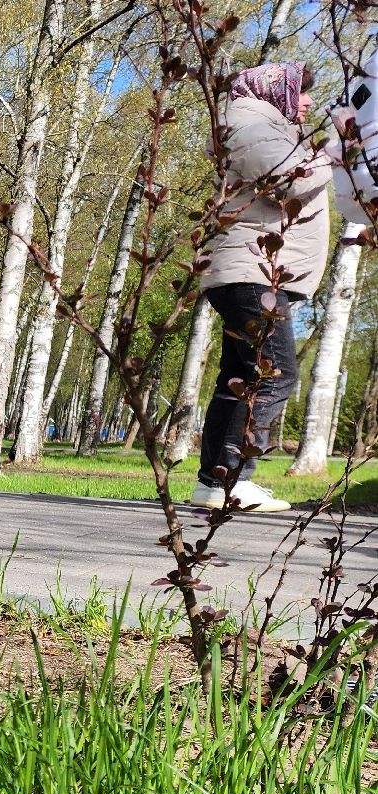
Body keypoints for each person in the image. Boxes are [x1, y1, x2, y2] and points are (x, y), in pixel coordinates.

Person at [193, 62, 329, 513]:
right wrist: (335, 155)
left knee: (240, 379)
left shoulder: (263, 125)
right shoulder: (251, 123)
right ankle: (232, 481)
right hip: (251, 270)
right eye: (301, 92)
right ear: (278, 90)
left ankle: (214, 484)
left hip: (251, 270)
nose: (308, 102)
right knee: (274, 373)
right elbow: (289, 181)